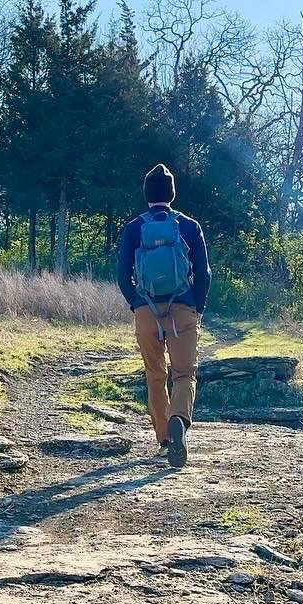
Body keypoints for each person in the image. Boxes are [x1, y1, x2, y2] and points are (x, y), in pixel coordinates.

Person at [117, 163, 210, 468]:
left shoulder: (133, 228)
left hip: (146, 311)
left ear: (147, 195)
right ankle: (179, 420)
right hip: (182, 308)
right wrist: (197, 306)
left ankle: (164, 440)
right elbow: (204, 273)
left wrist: (136, 304)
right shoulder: (189, 226)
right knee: (184, 374)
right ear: (172, 193)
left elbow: (122, 276)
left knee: (155, 376)